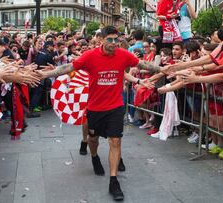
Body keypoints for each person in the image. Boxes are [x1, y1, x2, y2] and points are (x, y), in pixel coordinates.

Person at [37, 26, 160, 201]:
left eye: (116, 40)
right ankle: (94, 157)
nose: (113, 43)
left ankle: (113, 180)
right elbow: (68, 67)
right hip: (95, 108)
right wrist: (45, 74)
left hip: (115, 106)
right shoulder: (90, 56)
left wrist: (164, 69)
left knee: (115, 141)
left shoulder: (123, 55)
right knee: (93, 140)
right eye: (109, 40)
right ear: (101, 40)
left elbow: (142, 64)